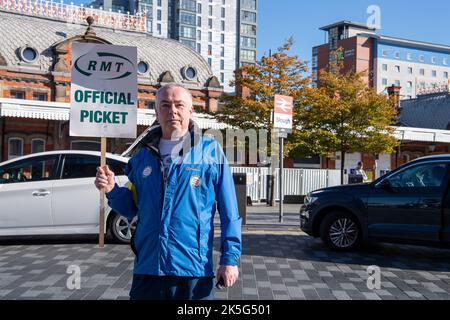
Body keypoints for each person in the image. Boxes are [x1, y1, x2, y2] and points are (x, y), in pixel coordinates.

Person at [94, 84, 242, 300]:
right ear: (156, 111)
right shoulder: (141, 156)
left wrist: (230, 259)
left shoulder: (211, 152)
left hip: (193, 269)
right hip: (148, 267)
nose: (172, 110)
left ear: (191, 111)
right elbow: (131, 208)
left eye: (179, 105)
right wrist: (112, 189)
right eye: (165, 105)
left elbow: (231, 213)